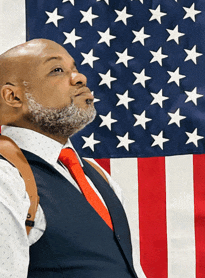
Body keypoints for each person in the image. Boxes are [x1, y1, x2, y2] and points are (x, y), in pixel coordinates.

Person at [0, 39, 138, 278]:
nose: (80, 78)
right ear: (13, 97)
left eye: (75, 68)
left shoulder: (97, 175)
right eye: (57, 70)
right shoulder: (6, 176)